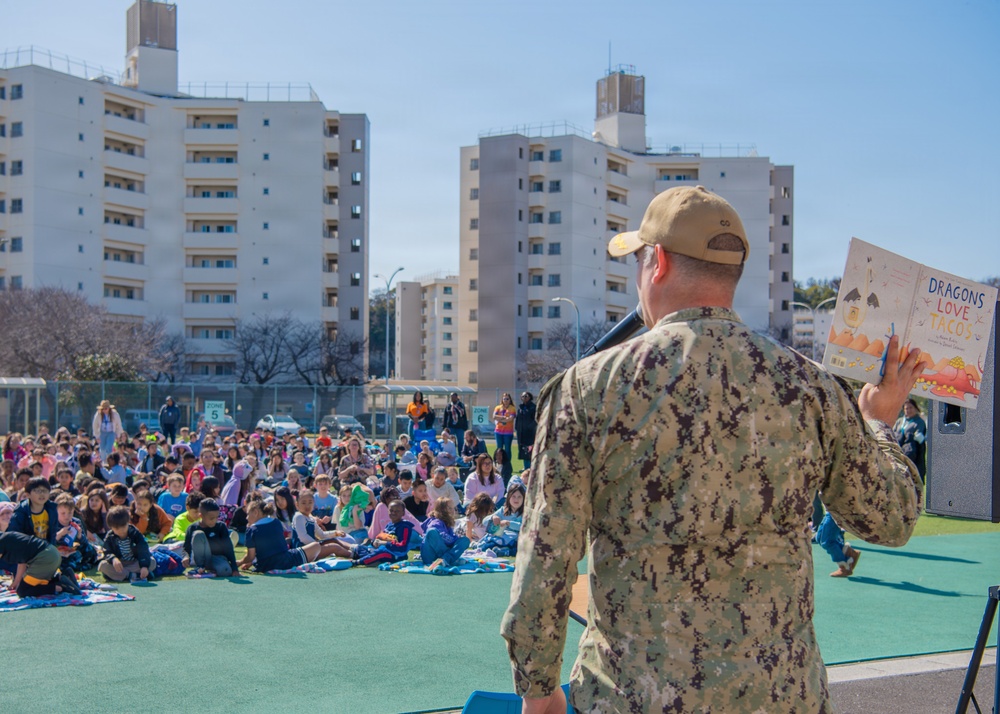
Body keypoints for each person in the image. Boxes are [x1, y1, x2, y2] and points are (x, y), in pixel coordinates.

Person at [500, 185, 926, 713]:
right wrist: (877, 423)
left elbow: (546, 556)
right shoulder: (810, 387)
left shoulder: (590, 386)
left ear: (656, 263)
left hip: (633, 698)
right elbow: (891, 517)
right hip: (779, 698)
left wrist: (539, 691)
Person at [0, 501, 78, 597]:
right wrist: (16, 582)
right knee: (30, 584)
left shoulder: (3, 539)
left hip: (44, 559)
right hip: (50, 554)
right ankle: (62, 577)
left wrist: (17, 583)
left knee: (23, 591)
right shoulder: (8, 536)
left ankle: (60, 586)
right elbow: (22, 559)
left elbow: (22, 562)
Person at [182, 499, 239, 577]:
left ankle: (211, 572)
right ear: (201, 516)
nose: (214, 521)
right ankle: (200, 568)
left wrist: (235, 569)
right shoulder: (192, 528)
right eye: (211, 518)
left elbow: (228, 548)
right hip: (202, 558)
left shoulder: (221, 526)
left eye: (217, 517)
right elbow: (186, 547)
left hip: (217, 558)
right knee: (198, 534)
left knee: (225, 571)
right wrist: (186, 557)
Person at [99, 505, 155, 582]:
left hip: (135, 562)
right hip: (120, 565)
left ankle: (126, 575)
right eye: (117, 528)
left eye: (123, 526)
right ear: (111, 527)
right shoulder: (110, 537)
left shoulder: (135, 533)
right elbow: (106, 551)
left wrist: (144, 566)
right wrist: (113, 559)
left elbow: (143, 549)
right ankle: (132, 575)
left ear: (128, 522)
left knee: (152, 562)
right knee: (103, 566)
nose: (121, 530)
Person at [420, 497, 470, 567]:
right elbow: (442, 536)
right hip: (430, 556)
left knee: (465, 540)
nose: (453, 511)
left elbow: (451, 538)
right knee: (432, 532)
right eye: (450, 508)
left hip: (442, 554)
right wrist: (454, 540)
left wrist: (458, 540)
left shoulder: (447, 525)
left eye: (453, 508)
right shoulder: (435, 521)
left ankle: (445, 560)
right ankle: (448, 560)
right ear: (441, 510)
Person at [893, 398, 927, 482]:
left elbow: (919, 438)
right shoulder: (899, 421)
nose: (908, 410)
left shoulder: (919, 422)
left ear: (915, 408)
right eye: (906, 408)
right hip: (898, 453)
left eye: (910, 408)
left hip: (913, 455)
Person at [514, 392, 537, 467]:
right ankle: (525, 467)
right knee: (523, 449)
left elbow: (536, 419)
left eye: (526, 396)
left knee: (529, 450)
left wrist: (530, 427)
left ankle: (530, 467)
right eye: (522, 396)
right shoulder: (520, 407)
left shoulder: (533, 407)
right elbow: (517, 419)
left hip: (530, 433)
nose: (524, 397)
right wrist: (517, 428)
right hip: (521, 432)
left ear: (530, 397)